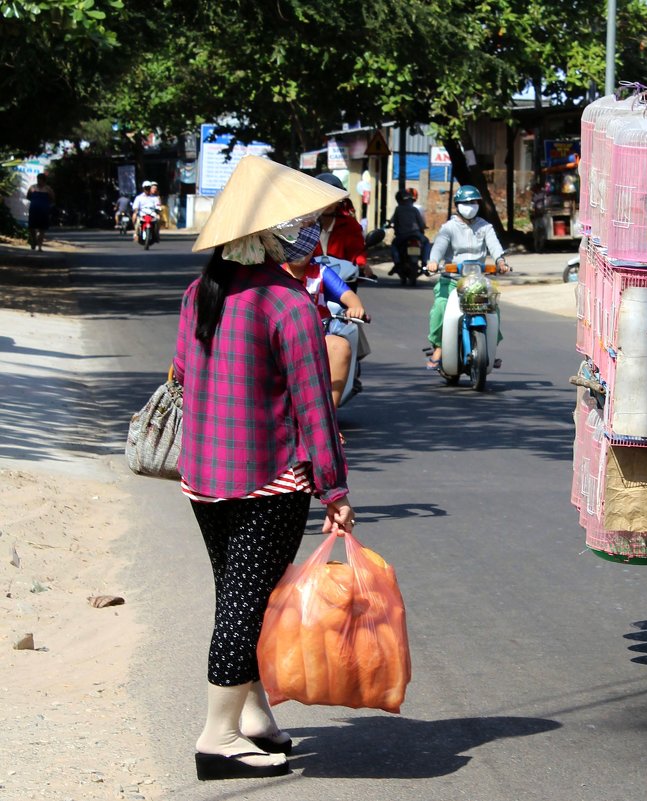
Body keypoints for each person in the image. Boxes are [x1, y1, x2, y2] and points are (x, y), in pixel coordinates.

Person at [173, 156, 353, 781]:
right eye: (299, 222)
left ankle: (254, 719)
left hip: (201, 475)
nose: (308, 231)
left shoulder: (200, 292)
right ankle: (216, 737)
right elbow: (314, 408)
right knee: (245, 605)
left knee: (239, 594)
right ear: (270, 232)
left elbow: (181, 374)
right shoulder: (287, 304)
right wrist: (333, 488)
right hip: (268, 478)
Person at [277, 220, 369, 407]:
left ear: (313, 247)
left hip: (317, 336)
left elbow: (348, 295)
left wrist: (355, 306)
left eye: (306, 244)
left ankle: (330, 417)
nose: (300, 252)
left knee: (340, 347)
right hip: (281, 337)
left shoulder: (321, 272)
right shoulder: (275, 273)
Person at [424, 185, 509, 369]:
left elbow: (494, 246)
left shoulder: (485, 227)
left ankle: (490, 348)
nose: (470, 205)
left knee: (493, 309)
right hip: (451, 280)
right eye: (466, 202)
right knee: (440, 307)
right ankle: (438, 346)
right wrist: (433, 261)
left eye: (474, 202)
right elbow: (439, 245)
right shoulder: (449, 227)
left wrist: (501, 262)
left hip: (477, 282)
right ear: (457, 205)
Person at [310, 173, 375, 280]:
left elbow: (357, 251)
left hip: (342, 281)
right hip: (310, 280)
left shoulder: (350, 224)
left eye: (334, 197)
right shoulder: (304, 224)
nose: (329, 202)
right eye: (325, 196)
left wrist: (362, 264)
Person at [388, 188, 430, 276]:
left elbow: (393, 221)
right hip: (416, 235)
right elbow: (421, 223)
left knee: (394, 245)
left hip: (402, 236)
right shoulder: (414, 209)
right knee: (426, 243)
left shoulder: (398, 209)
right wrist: (423, 228)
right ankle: (424, 264)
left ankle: (397, 264)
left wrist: (390, 225)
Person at [26, 172, 55, 251]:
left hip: (44, 211)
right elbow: (28, 196)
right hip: (34, 210)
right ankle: (34, 240)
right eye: (38, 179)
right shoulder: (32, 187)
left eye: (41, 180)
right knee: (32, 228)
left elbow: (52, 199)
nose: (39, 181)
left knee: (42, 229)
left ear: (44, 181)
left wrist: (47, 206)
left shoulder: (48, 189)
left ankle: (39, 247)